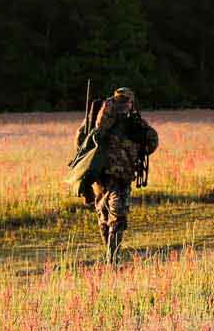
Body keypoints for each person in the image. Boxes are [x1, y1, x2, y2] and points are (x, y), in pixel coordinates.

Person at [66, 87, 159, 263]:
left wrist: (89, 157)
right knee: (116, 214)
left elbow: (81, 139)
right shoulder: (133, 119)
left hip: (99, 174)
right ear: (131, 101)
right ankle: (112, 256)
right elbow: (153, 141)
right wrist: (140, 148)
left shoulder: (99, 118)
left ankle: (111, 255)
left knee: (105, 212)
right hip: (120, 175)